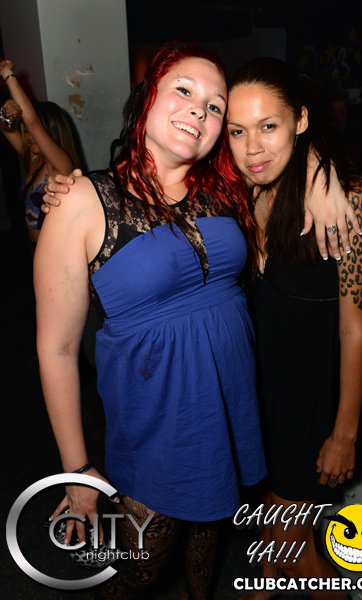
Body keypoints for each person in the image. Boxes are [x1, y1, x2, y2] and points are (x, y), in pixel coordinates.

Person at [34, 41, 268, 600]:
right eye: (184, 90)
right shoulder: (83, 200)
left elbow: (288, 151)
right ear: (147, 99)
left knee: (206, 544)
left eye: (215, 106)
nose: (199, 110)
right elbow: (56, 349)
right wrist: (77, 469)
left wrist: (330, 185)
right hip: (157, 421)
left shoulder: (228, 189)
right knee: (136, 573)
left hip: (227, 405)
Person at [227, 56, 362, 599]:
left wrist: (345, 434)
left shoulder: (347, 204)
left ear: (299, 120)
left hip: (307, 400)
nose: (252, 148)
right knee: (272, 526)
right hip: (255, 392)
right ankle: (262, 587)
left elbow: (354, 331)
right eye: (237, 131)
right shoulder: (240, 191)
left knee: (296, 546)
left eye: (267, 126)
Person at [0, 59, 80, 243]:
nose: (30, 136)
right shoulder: (34, 158)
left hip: (59, 248)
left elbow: (33, 122)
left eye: (34, 132)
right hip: (37, 247)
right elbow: (5, 129)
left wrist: (7, 74)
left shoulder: (60, 164)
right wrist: (5, 114)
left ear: (53, 131)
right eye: (26, 131)